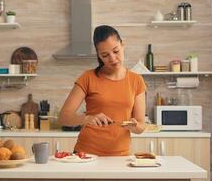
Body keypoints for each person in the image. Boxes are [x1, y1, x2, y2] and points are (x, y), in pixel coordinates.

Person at [58, 25, 146, 156]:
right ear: (99, 56)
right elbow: (63, 117)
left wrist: (134, 126)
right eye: (105, 55)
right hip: (86, 154)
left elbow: (141, 127)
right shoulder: (88, 78)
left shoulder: (136, 80)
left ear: (123, 45)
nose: (112, 58)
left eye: (116, 51)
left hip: (120, 156)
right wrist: (87, 118)